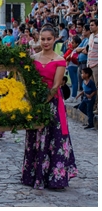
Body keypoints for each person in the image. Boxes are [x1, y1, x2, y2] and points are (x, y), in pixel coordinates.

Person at [21, 25, 78, 189]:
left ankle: (55, 177)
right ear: (39, 39)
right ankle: (34, 174)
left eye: (49, 39)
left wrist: (43, 102)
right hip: (35, 101)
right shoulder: (33, 58)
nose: (45, 42)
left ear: (54, 39)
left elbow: (56, 85)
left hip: (52, 102)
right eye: (43, 39)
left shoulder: (60, 60)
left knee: (54, 137)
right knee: (35, 136)